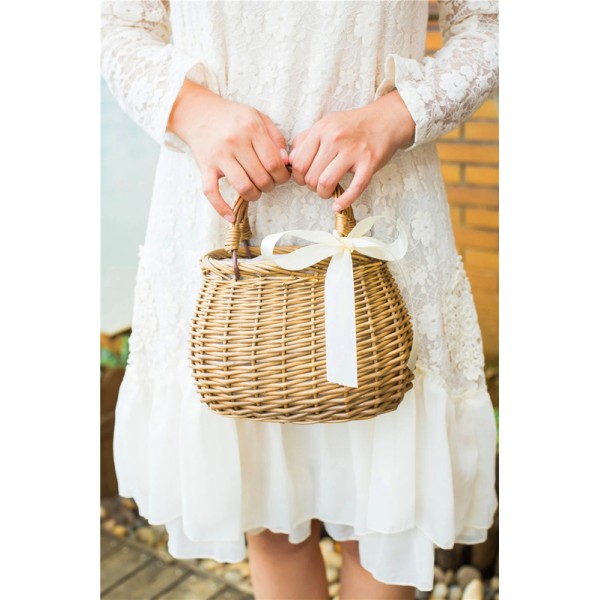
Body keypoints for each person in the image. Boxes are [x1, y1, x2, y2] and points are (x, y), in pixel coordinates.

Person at [101, 1, 499, 598]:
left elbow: (493, 23)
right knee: (269, 519)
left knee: (385, 513)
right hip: (226, 229)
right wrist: (196, 113)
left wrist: (396, 114)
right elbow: (119, 29)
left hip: (380, 220)